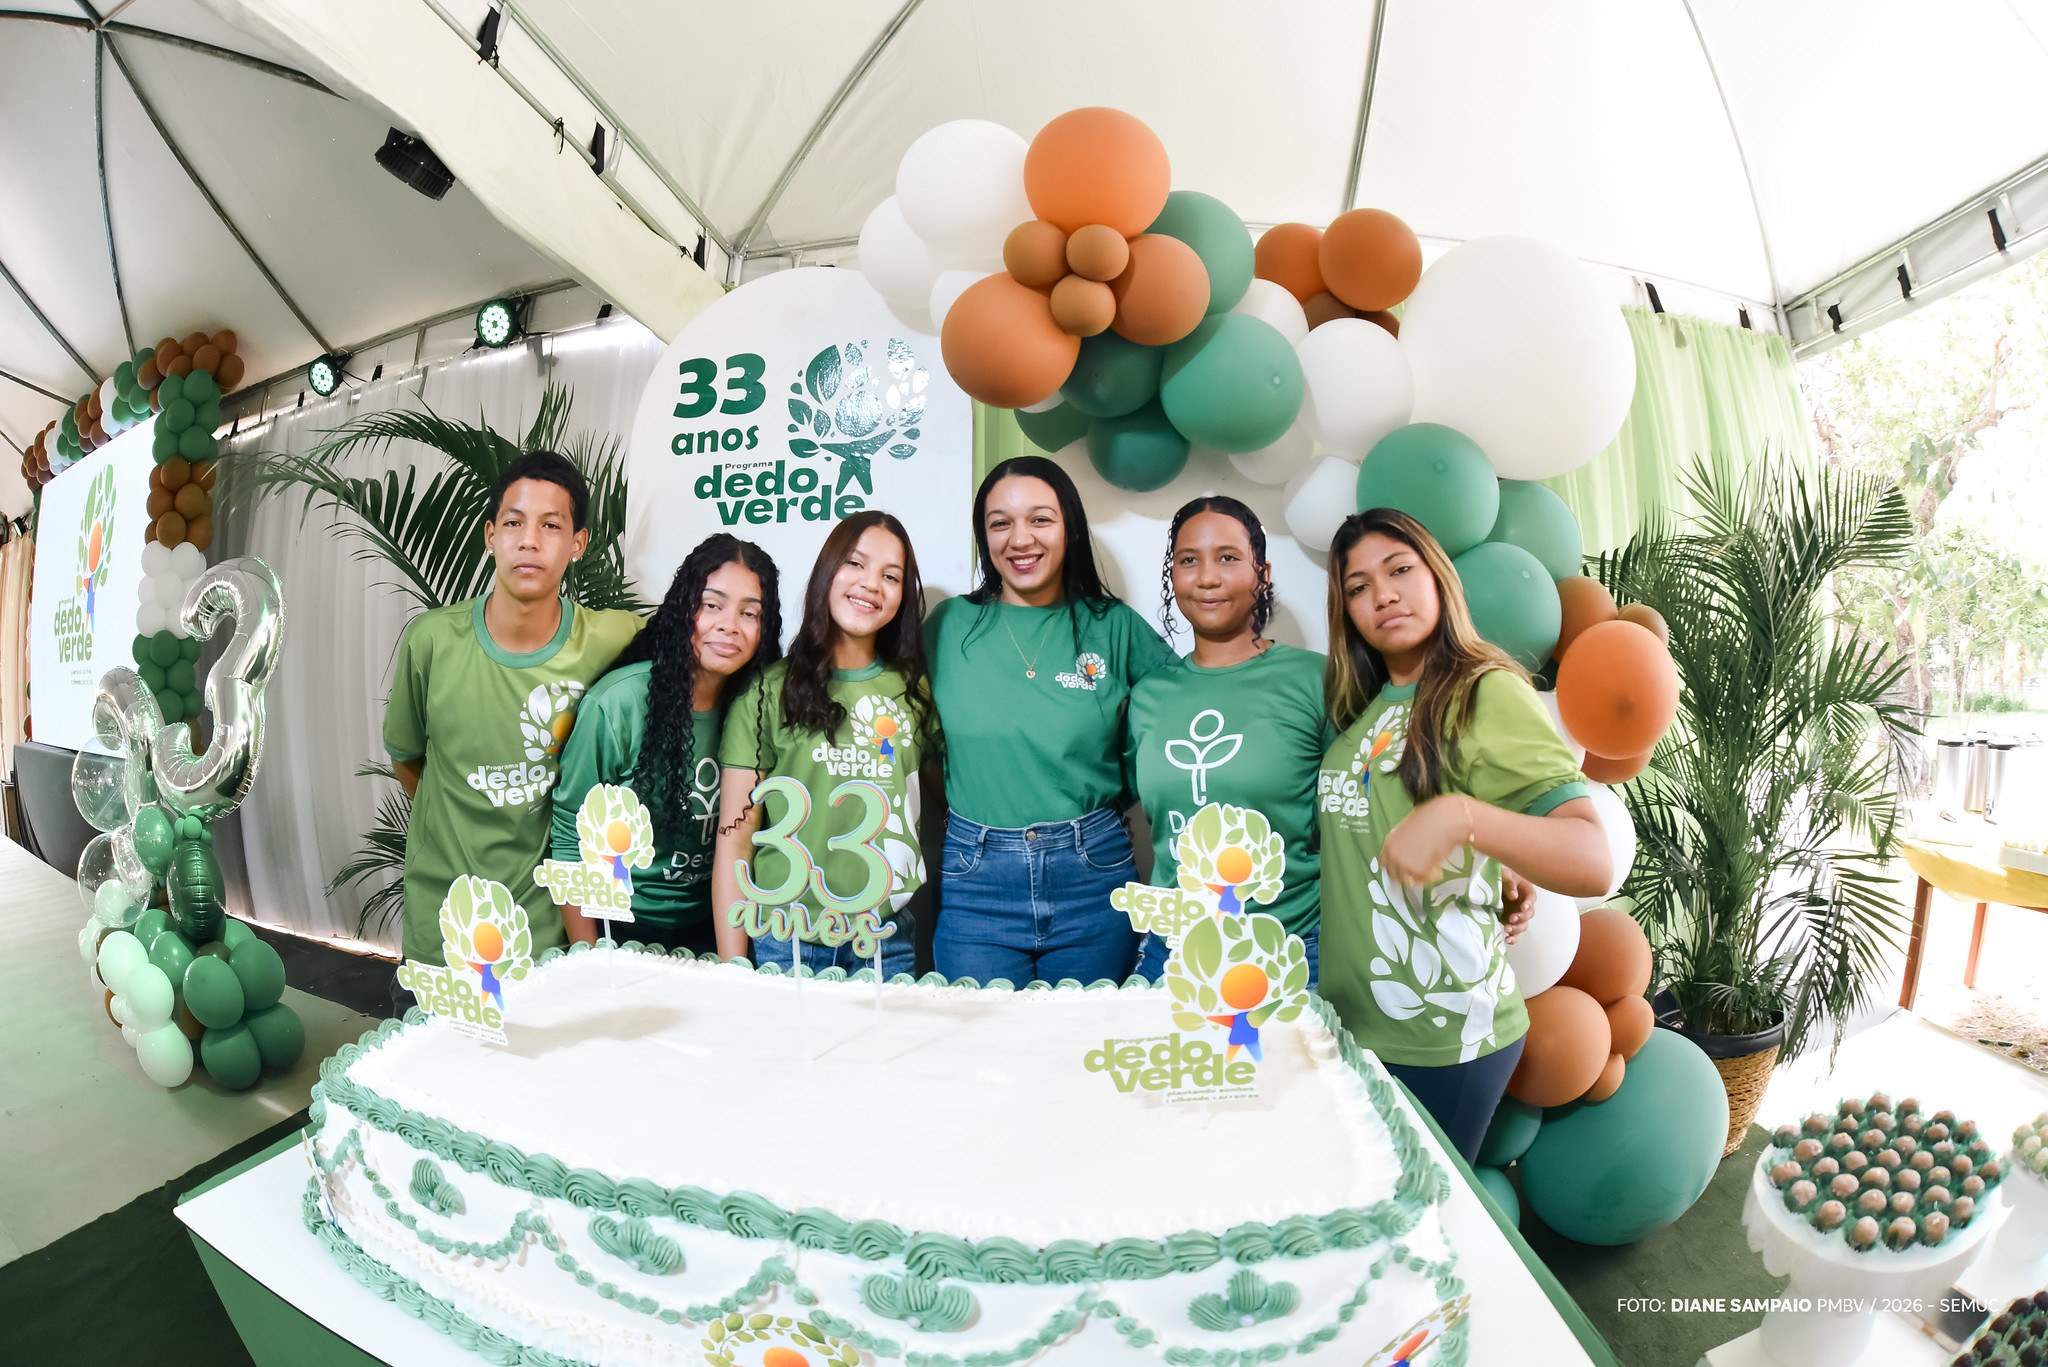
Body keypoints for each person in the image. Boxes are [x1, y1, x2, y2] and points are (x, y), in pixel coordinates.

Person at [1316, 508, 1610, 1164]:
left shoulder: (1485, 690)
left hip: (1446, 1035)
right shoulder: (1365, 710)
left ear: (1438, 577)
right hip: (1358, 1022)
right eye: (1358, 586)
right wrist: (1496, 860)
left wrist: (1465, 820)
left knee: (1421, 1229)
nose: (1383, 593)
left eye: (1399, 569)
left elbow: (1592, 860)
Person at [383, 451, 644, 991]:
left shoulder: (614, 638)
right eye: (514, 522)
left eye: (551, 525)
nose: (530, 540)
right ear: (490, 536)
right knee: (432, 1076)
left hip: (548, 937)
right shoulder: (430, 641)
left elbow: (703, 663)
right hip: (445, 931)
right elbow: (407, 760)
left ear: (578, 544)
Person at [925, 455, 1176, 985]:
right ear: (984, 536)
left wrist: (1116, 792)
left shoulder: (1113, 626)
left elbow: (1184, 708)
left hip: (1094, 875)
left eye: (1040, 519)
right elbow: (912, 738)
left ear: (1071, 529)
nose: (1021, 539)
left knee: (1081, 1053)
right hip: (976, 883)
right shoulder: (949, 626)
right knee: (978, 1053)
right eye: (1001, 523)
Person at [712, 511, 933, 976]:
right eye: (855, 563)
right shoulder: (767, 691)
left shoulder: (915, 691)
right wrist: (733, 970)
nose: (871, 584)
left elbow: (947, 793)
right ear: (826, 572)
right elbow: (735, 842)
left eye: (890, 576)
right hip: (786, 936)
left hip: (885, 935)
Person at [1127, 497, 1332, 986]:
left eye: (1228, 558)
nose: (1207, 578)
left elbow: (1366, 811)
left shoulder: (1316, 680)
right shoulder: (1148, 695)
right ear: (1172, 575)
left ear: (1261, 572)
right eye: (1188, 560)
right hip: (1172, 951)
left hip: (1287, 951)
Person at [550, 534, 780, 954]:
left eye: (750, 613)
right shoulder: (617, 704)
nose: (729, 624)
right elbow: (570, 840)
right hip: (619, 927)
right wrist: (587, 959)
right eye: (712, 605)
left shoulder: (759, 708)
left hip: (719, 924)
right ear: (683, 609)